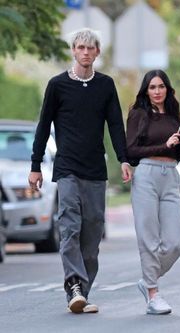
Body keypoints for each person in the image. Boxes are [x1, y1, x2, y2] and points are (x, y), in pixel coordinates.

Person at [28, 28, 132, 314]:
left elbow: (114, 125)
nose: (85, 53)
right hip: (67, 168)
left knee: (92, 233)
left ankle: (81, 294)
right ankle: (73, 284)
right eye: (80, 48)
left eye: (91, 48)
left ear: (97, 52)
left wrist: (124, 158)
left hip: (95, 169)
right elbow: (43, 126)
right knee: (69, 226)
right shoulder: (57, 85)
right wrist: (35, 165)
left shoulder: (106, 85)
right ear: (73, 51)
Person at [126, 69, 180, 315]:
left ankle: (147, 281)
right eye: (152, 87)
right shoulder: (138, 114)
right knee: (149, 238)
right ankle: (153, 294)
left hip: (170, 176)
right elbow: (131, 150)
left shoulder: (174, 116)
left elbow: (175, 155)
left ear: (168, 89)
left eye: (161, 86)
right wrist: (163, 145)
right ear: (146, 90)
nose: (157, 91)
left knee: (175, 241)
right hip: (146, 175)